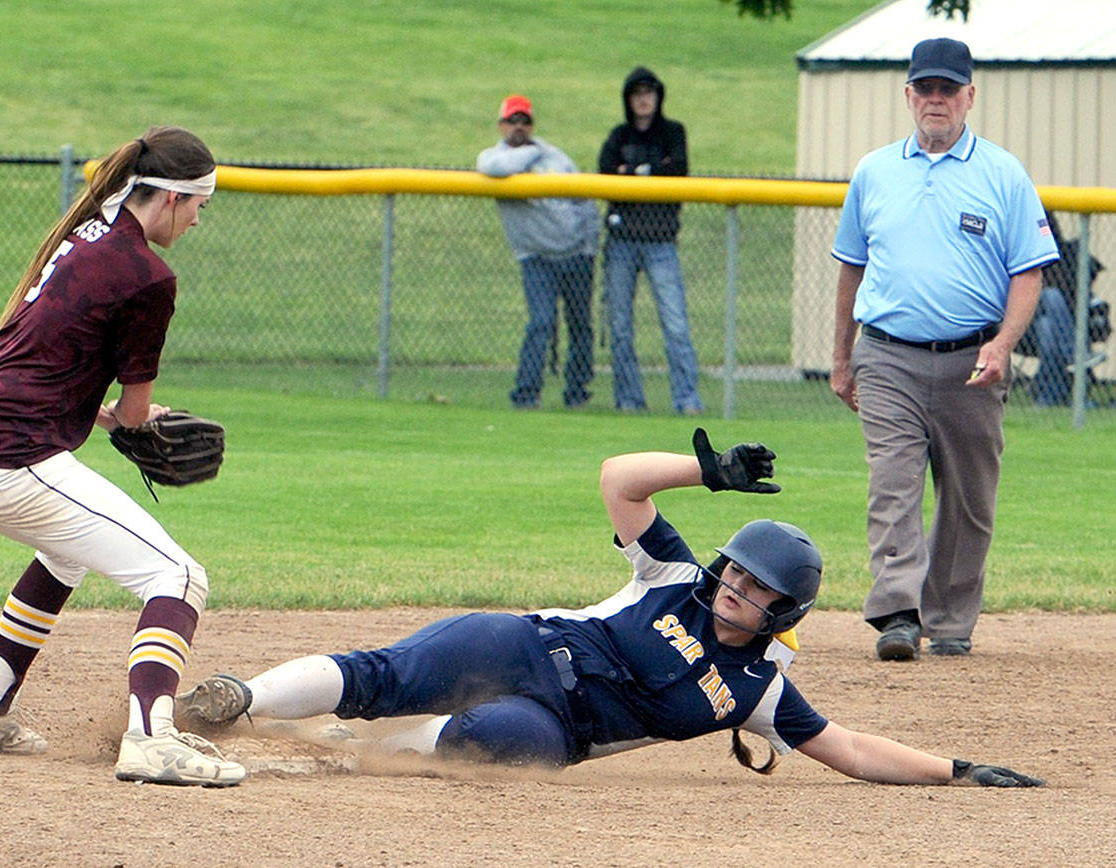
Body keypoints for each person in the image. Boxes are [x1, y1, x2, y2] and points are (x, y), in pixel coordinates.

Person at [175, 430, 1041, 788]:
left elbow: (846, 747)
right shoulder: (674, 575)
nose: (734, 589)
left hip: (560, 726)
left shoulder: (760, 690)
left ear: (783, 616)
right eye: (736, 573)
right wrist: (708, 474)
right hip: (525, 645)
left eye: (756, 591)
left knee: (498, 743)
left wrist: (954, 770)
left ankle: (348, 749)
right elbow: (617, 480)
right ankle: (240, 698)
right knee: (388, 672)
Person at [0, 126, 246, 787]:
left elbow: (47, 357)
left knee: (64, 553)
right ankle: (150, 739)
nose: (197, 220)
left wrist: (102, 412)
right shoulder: (148, 276)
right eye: (199, 206)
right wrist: (138, 419)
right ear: (171, 198)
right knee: (178, 577)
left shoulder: (85, 235)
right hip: (9, 458)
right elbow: (134, 413)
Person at [829, 38, 1059, 661]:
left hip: (971, 360)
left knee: (968, 496)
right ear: (908, 95)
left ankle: (951, 619)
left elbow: (1029, 272)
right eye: (925, 88)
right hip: (887, 356)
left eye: (948, 89)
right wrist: (841, 359)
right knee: (893, 483)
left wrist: (1003, 344)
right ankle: (898, 614)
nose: (936, 99)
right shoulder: (875, 171)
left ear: (969, 96)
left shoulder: (1003, 173)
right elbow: (851, 267)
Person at [477, 94, 600, 410]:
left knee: (580, 326)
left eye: (525, 121)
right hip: (537, 258)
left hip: (576, 254)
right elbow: (493, 167)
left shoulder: (556, 157)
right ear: (501, 125)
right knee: (541, 323)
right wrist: (531, 153)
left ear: (532, 125)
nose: (519, 127)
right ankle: (527, 394)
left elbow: (585, 200)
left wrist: (589, 246)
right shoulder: (495, 158)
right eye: (512, 121)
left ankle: (577, 393)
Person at [598, 67, 703, 415]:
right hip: (622, 242)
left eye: (649, 93)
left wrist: (633, 171)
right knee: (620, 327)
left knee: (675, 323)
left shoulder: (673, 132)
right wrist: (652, 169)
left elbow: (678, 169)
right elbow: (605, 174)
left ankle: (686, 398)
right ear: (628, 100)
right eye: (637, 93)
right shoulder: (619, 135)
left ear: (659, 97)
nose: (643, 99)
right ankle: (629, 399)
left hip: (660, 241)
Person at [1020, 211, 1105, 406]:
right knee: (1051, 296)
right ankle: (1075, 355)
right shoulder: (1016, 248)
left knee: (1048, 329)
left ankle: (1049, 397)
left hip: (1046, 323)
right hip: (1016, 322)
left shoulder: (1057, 257)